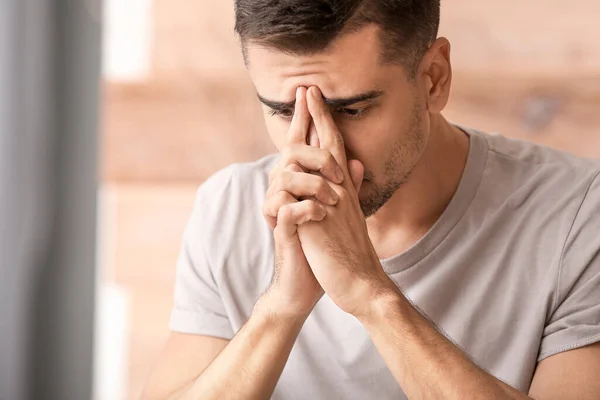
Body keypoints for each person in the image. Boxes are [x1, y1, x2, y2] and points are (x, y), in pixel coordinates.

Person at [141, 1, 600, 399]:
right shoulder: (229, 207)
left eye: (352, 110)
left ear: (434, 79)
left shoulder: (578, 214)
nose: (323, 149)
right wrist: (281, 307)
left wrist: (369, 292)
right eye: (283, 111)